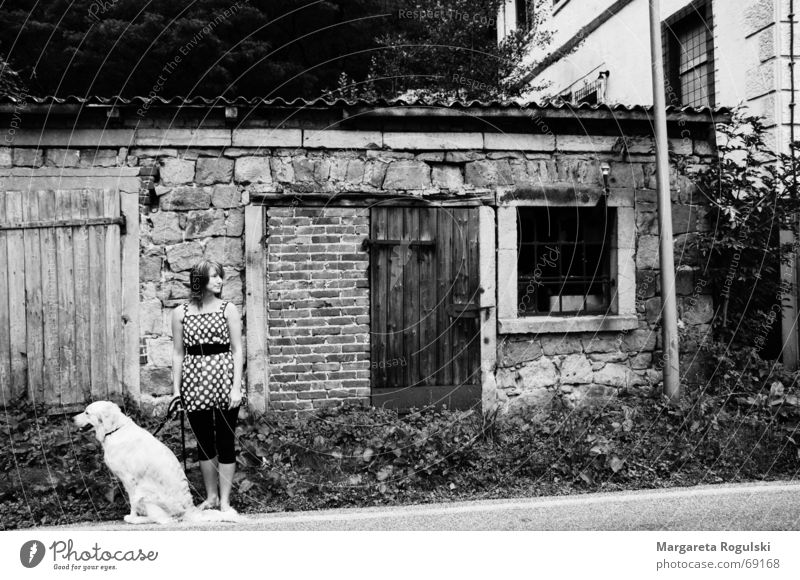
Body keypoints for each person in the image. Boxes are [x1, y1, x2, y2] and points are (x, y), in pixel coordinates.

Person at [171, 259, 244, 514]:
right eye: (213, 276)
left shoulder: (228, 309)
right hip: (194, 382)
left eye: (220, 276)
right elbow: (178, 353)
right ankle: (211, 497)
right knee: (204, 442)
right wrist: (176, 392)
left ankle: (225, 501)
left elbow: (237, 350)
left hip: (224, 379)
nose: (219, 281)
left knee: (225, 440)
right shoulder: (180, 313)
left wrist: (236, 387)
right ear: (199, 280)